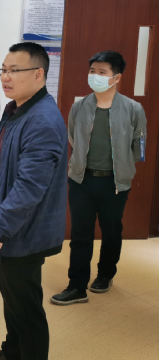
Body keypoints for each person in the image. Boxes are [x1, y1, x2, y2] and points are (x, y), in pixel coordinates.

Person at [0, 43, 67, 360]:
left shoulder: (42, 120)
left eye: (15, 70)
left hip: (21, 232)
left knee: (26, 310)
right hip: (5, 224)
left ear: (38, 74)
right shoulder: (17, 109)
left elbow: (29, 187)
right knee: (13, 301)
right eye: (4, 69)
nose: (6, 77)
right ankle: (13, 356)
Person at [51, 51, 147, 306]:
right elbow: (73, 138)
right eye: (92, 71)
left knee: (111, 231)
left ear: (116, 77)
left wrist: (121, 166)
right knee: (80, 234)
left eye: (102, 72)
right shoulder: (79, 106)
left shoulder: (133, 109)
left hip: (115, 183)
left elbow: (138, 147)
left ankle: (105, 275)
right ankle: (76, 286)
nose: (95, 76)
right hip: (81, 180)